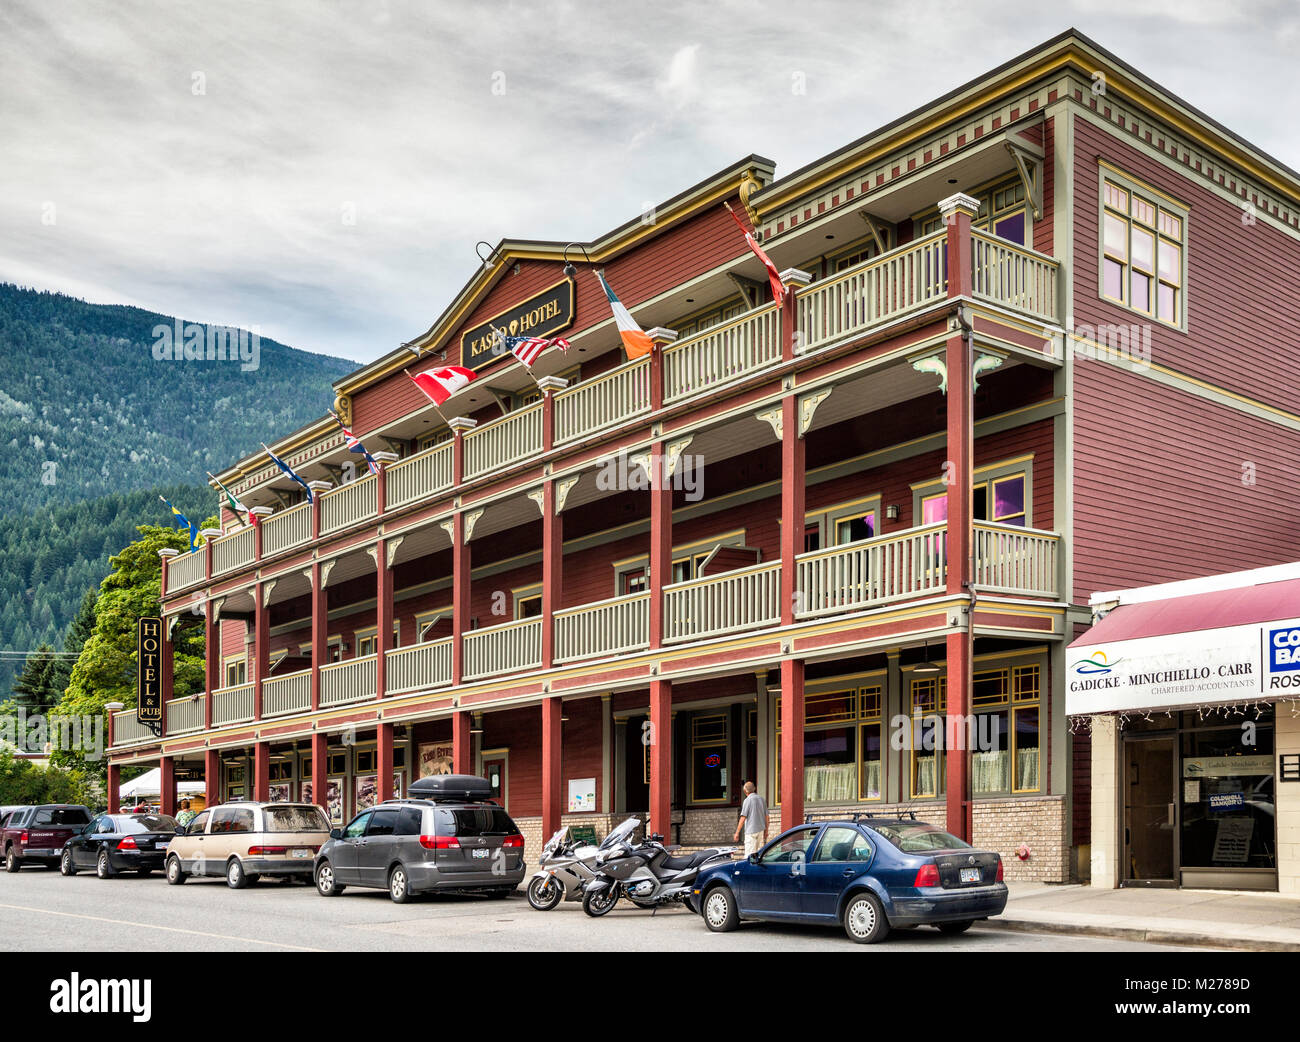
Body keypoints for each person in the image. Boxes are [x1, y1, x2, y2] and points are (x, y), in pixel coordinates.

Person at [733, 780, 768, 857]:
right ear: (754, 788)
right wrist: (766, 830)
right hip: (761, 830)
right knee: (758, 855)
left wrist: (737, 832)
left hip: (751, 832)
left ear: (745, 791)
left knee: (749, 856)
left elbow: (743, 818)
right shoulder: (762, 800)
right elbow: (766, 817)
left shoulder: (747, 800)